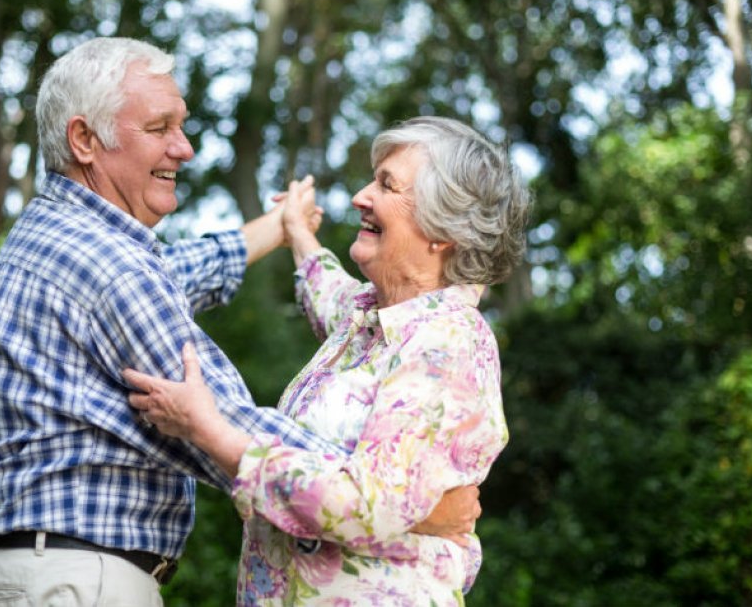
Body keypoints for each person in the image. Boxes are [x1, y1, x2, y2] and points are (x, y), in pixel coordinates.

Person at [0, 38, 475, 607]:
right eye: (159, 128)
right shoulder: (110, 267)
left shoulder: (63, 236)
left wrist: (285, 230)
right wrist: (402, 501)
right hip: (79, 582)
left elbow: (174, 273)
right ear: (84, 139)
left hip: (48, 574)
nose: (183, 148)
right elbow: (221, 419)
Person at [125, 116, 532, 605]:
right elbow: (328, 291)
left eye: (387, 185)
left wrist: (209, 431)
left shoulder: (446, 341)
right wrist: (297, 232)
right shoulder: (369, 319)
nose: (361, 195)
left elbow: (368, 504)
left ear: (442, 230)